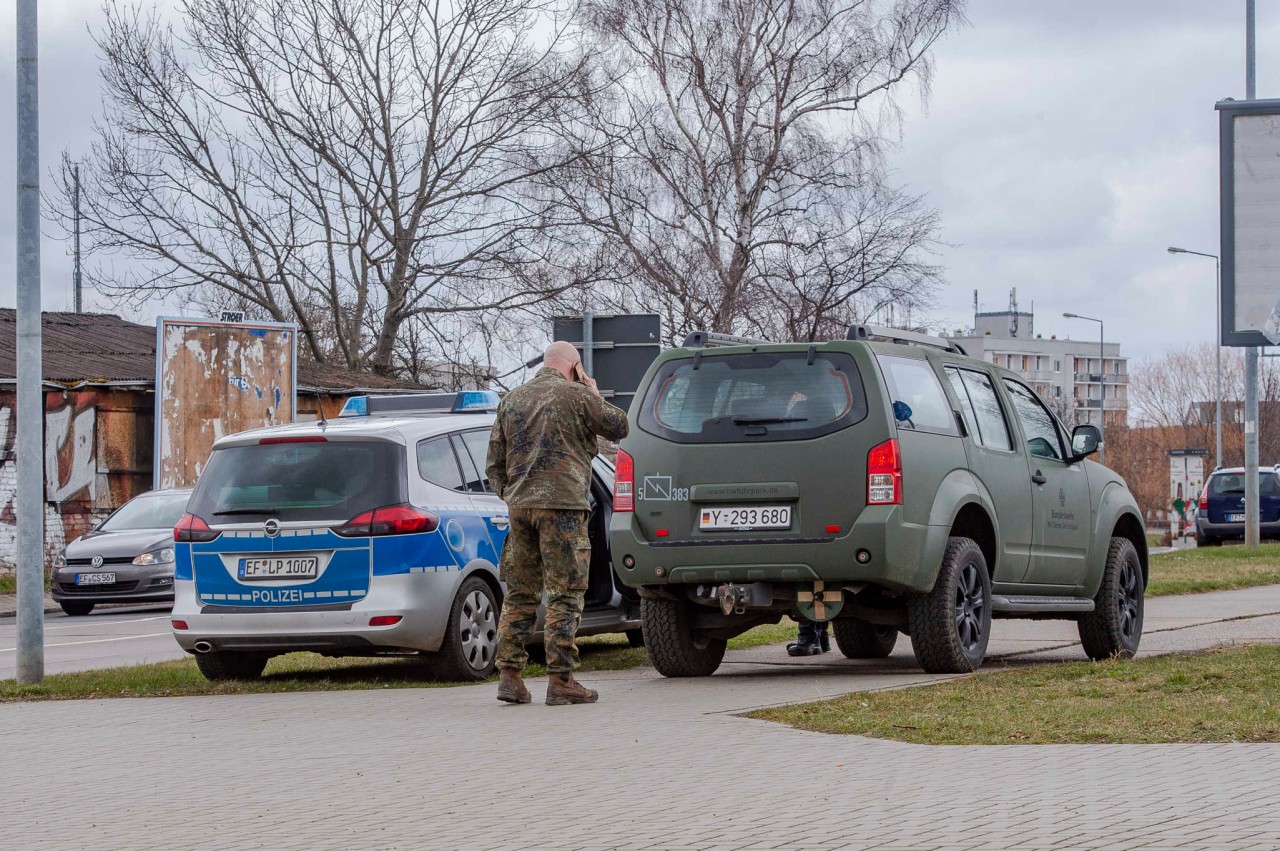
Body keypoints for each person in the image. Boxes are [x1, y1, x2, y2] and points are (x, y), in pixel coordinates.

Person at [486, 341, 630, 705]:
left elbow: (494, 465)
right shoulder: (578, 396)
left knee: (520, 593)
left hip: (520, 510)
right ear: (575, 366)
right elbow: (619, 426)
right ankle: (561, 679)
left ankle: (510, 677)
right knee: (565, 594)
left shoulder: (511, 400)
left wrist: (514, 496)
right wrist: (592, 391)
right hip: (564, 508)